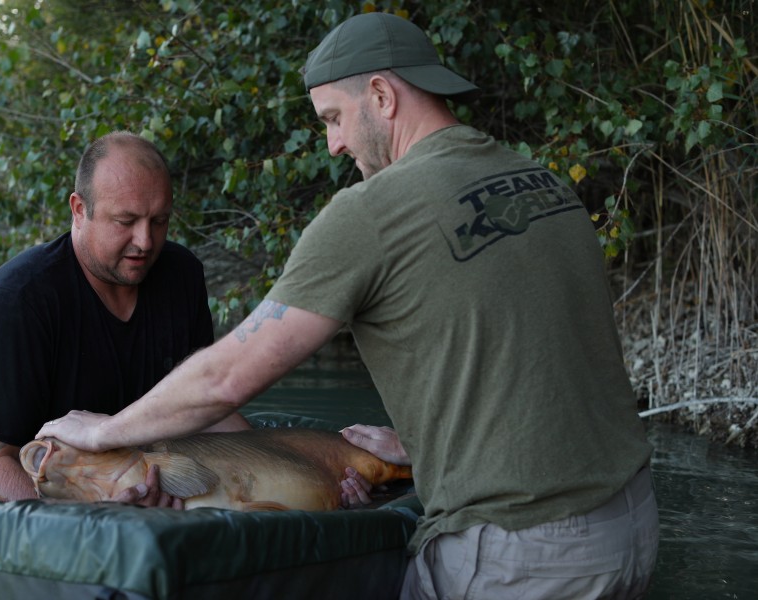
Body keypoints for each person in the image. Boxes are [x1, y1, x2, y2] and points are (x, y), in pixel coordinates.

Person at [38, 12, 659, 599]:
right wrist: (429, 443)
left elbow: (228, 377)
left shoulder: (374, 213)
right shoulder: (542, 183)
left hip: (523, 553)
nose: (333, 144)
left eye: (334, 117)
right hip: (628, 521)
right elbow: (544, 356)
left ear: (383, 97)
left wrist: (104, 431)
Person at [0, 131, 250, 502]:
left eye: (159, 221)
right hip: (14, 495)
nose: (146, 241)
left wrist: (307, 464)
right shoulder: (18, 298)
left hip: (126, 473)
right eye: (125, 221)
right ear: (79, 210)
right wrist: (92, 523)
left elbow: (204, 406)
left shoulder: (181, 275)